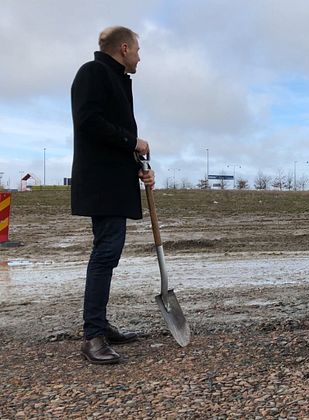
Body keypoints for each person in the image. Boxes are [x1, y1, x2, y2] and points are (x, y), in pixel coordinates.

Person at [71, 26, 154, 364]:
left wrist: (138, 165)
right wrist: (132, 142)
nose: (139, 56)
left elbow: (112, 133)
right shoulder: (93, 73)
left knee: (109, 254)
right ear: (123, 48)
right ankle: (93, 337)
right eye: (137, 50)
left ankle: (100, 325)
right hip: (101, 184)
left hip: (114, 181)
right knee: (105, 254)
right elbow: (89, 122)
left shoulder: (117, 80)